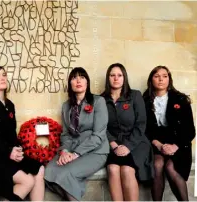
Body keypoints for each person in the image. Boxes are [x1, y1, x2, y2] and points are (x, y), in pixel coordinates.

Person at [0, 66, 45, 201]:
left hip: (11, 153)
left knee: (39, 169)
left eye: (4, 75)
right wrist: (8, 151)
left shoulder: (9, 105)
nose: (2, 78)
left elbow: (11, 134)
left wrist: (17, 149)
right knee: (27, 180)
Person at [44, 67, 109, 201]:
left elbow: (98, 135)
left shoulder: (98, 102)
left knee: (66, 173)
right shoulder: (66, 106)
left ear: (87, 82)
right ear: (70, 84)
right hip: (71, 150)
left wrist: (76, 154)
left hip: (96, 151)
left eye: (82, 77)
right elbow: (66, 134)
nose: (78, 80)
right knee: (49, 171)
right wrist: (65, 151)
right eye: (74, 77)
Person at [101, 63, 154, 201]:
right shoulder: (101, 100)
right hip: (113, 143)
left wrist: (128, 146)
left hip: (136, 142)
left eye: (119, 75)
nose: (116, 78)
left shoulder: (135, 96)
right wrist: (113, 144)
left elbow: (141, 124)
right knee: (112, 169)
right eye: (112, 75)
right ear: (108, 78)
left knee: (126, 169)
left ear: (124, 78)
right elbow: (101, 126)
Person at [143, 65, 195, 201]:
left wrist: (175, 146)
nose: (161, 79)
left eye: (164, 76)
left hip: (179, 143)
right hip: (155, 143)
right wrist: (159, 145)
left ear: (169, 79)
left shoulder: (181, 99)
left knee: (171, 168)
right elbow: (144, 129)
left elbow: (190, 130)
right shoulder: (145, 100)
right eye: (157, 76)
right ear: (151, 80)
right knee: (157, 164)